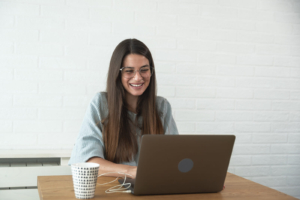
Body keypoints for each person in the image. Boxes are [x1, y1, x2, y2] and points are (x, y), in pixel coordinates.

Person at [68, 38, 179, 179]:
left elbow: (175, 158)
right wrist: (132, 172)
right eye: (129, 71)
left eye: (144, 70)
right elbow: (87, 161)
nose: (138, 77)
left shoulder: (162, 107)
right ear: (118, 73)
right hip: (111, 190)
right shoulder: (100, 104)